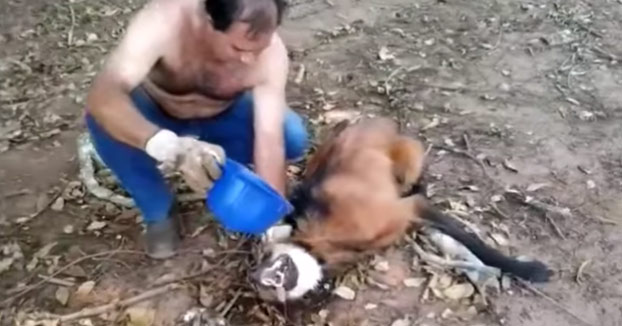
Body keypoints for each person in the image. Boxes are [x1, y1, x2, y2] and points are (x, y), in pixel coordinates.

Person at [84, 0, 309, 259]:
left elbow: (270, 139)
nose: (250, 58)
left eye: (261, 47)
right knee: (103, 119)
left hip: (220, 119)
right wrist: (164, 144)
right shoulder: (165, 21)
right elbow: (103, 94)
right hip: (155, 117)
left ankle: (220, 171)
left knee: (291, 134)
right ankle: (158, 210)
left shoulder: (271, 55)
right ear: (208, 21)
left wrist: (272, 220)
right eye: (238, 48)